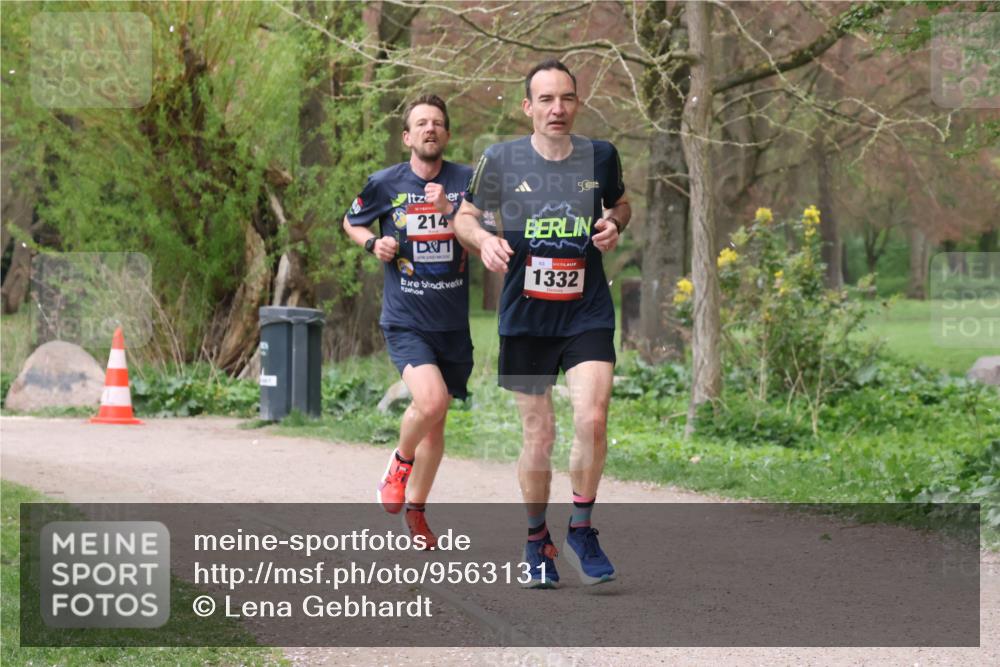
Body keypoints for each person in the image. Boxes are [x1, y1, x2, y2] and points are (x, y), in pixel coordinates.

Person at [453, 60, 630, 587]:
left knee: (593, 419)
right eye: (546, 100)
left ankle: (581, 526)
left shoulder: (600, 155)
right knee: (540, 431)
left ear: (578, 103)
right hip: (526, 314)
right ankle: (536, 540)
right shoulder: (501, 159)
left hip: (586, 309)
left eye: (567, 99)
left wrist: (612, 224)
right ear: (527, 107)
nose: (558, 109)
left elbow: (620, 203)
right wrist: (484, 239)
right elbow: (463, 215)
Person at [343, 94, 473, 550]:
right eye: (421, 123)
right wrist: (371, 245)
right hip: (406, 318)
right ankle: (398, 464)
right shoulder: (384, 183)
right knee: (432, 401)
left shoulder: (466, 182)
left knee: (436, 422)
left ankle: (416, 512)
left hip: (452, 323)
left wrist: (451, 213)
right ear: (407, 136)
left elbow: (485, 240)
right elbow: (352, 221)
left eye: (438, 122)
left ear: (447, 134)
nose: (430, 129)